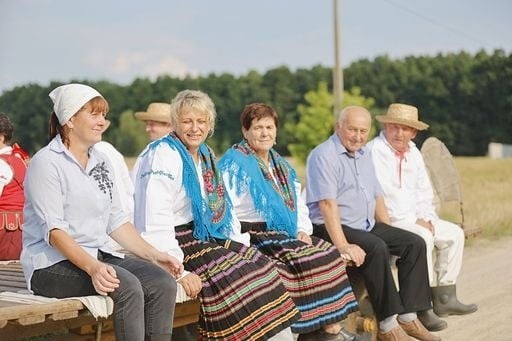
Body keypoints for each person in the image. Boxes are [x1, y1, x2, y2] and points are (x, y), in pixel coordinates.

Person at [133, 90, 301, 341]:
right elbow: (155, 217)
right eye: (187, 121)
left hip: (204, 233)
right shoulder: (164, 153)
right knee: (234, 274)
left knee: (262, 264)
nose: (194, 128)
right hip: (176, 241)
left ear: (210, 124)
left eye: (201, 121)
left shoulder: (206, 156)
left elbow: (223, 209)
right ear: (176, 123)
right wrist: (177, 269)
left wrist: (238, 244)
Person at [21, 83, 182, 341]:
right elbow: (54, 232)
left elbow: (115, 220)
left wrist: (154, 255)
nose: (102, 122)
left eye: (103, 115)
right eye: (94, 114)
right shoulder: (46, 162)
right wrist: (93, 268)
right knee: (127, 286)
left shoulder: (101, 161)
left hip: (95, 256)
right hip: (49, 266)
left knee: (162, 281)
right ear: (70, 119)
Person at [218, 103, 360, 341]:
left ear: (276, 131)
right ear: (245, 131)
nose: (265, 133)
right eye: (257, 127)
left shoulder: (280, 164)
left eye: (269, 127)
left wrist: (302, 230)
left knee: (328, 253)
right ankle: (315, 331)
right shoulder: (234, 164)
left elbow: (297, 203)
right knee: (301, 260)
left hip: (283, 232)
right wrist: (241, 245)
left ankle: (327, 328)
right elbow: (226, 209)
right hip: (252, 235)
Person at [306, 106, 442, 341]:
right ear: (339, 127)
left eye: (363, 131)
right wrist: (342, 245)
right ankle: (388, 324)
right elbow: (328, 205)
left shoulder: (363, 153)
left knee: (414, 243)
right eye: (352, 130)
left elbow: (376, 195)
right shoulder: (324, 155)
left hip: (363, 224)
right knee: (376, 247)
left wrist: (390, 230)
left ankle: (408, 316)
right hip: (331, 228)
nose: (358, 136)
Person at [368, 103, 477, 326]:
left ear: (413, 132)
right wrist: (413, 221)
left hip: (415, 217)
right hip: (390, 220)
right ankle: (421, 306)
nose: (399, 133)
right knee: (423, 238)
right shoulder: (374, 151)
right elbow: (381, 194)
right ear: (386, 126)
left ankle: (445, 297)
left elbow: (423, 190)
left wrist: (427, 217)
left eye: (405, 129)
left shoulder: (414, 153)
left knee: (454, 234)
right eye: (394, 127)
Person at [0, 112, 29, 260]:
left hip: (4, 233)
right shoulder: (21, 158)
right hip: (21, 232)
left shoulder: (1, 163)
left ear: (1, 136)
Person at [94, 120, 134, 222]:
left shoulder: (88, 152)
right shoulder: (110, 149)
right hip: (123, 220)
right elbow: (129, 188)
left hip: (105, 225)